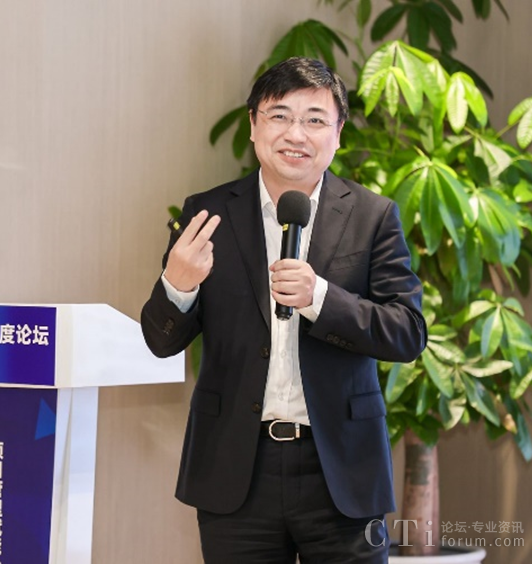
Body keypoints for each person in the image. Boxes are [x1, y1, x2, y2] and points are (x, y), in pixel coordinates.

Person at [140, 57, 427, 563]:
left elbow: (407, 333)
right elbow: (161, 341)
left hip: (341, 468)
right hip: (236, 468)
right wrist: (177, 286)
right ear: (253, 125)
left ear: (337, 134)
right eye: (279, 116)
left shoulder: (373, 216)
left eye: (315, 119)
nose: (296, 133)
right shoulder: (208, 214)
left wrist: (320, 298)